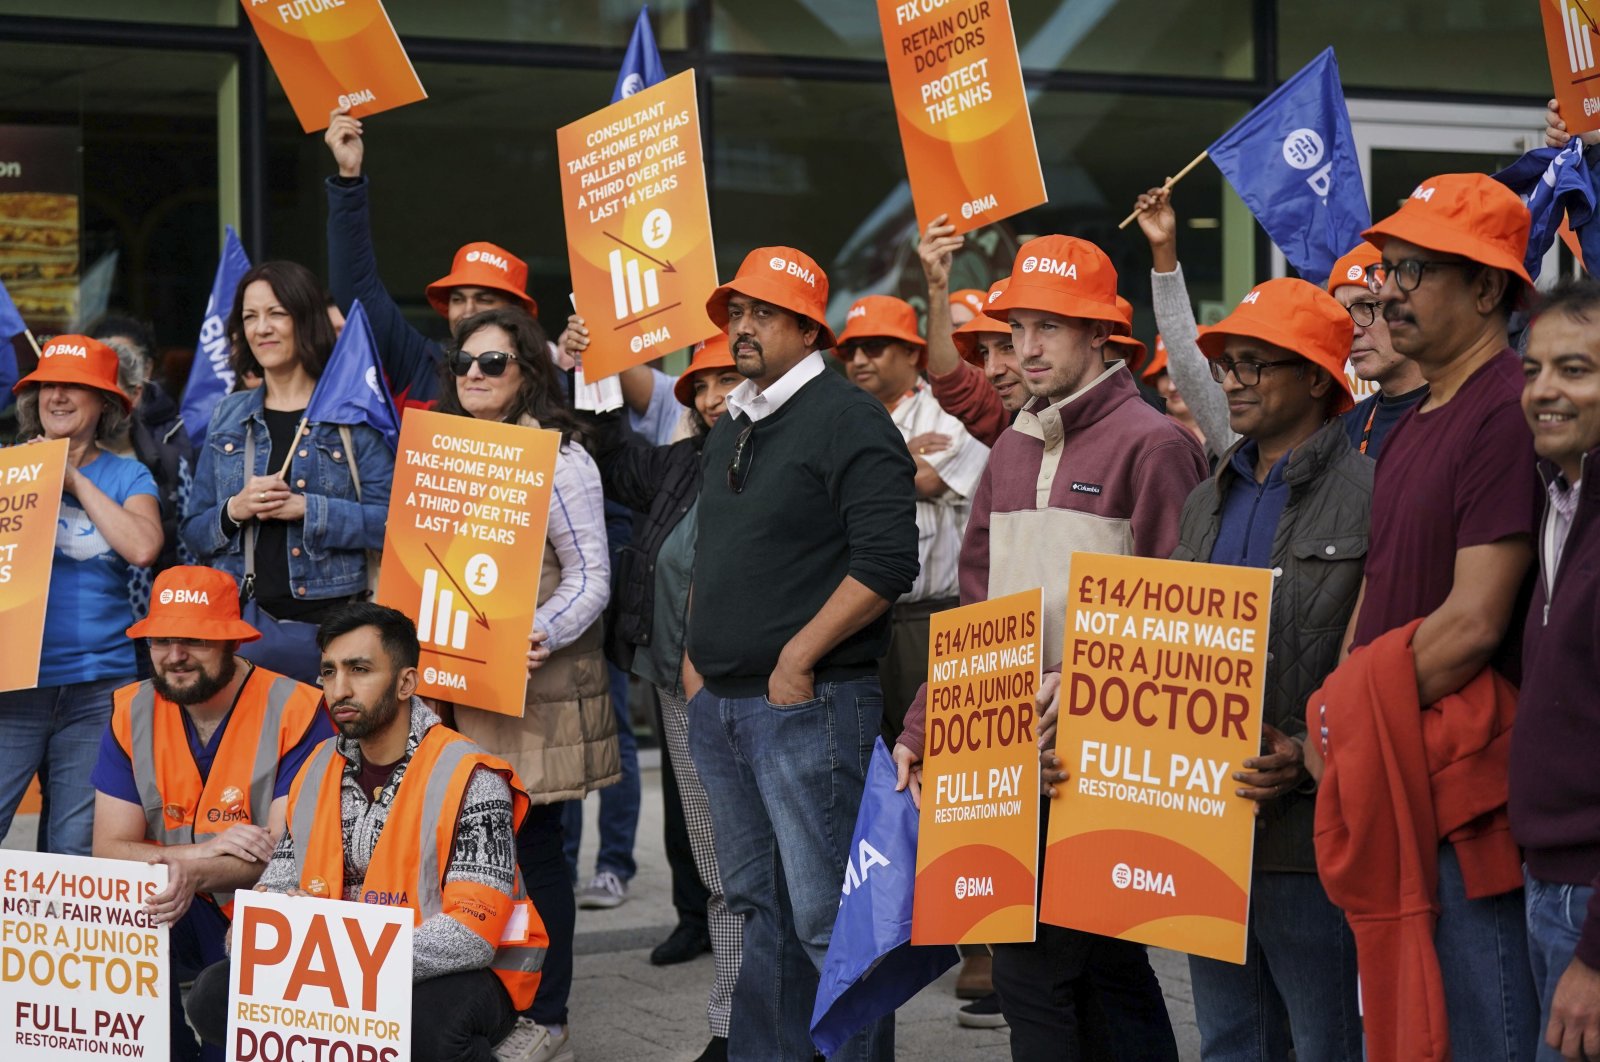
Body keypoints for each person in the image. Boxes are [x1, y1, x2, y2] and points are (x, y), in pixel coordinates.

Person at [894, 234, 1206, 1061]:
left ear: (1102, 335)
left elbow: (1186, 616)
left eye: (1050, 328)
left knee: (1036, 978)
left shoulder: (1157, 444)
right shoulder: (1012, 450)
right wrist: (925, 727)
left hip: (1106, 761)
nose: (1025, 348)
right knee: (1104, 972)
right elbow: (975, 609)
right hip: (1007, 750)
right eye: (1018, 326)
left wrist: (1088, 686)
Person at [1312, 172, 1542, 1060]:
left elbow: (1474, 623)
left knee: (1481, 1035)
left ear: (1488, 290)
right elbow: (1377, 592)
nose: (1388, 289)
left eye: (1417, 271)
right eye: (1388, 267)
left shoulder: (1506, 410)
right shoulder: (1411, 419)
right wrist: (1337, 705)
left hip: (1462, 796)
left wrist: (1345, 719)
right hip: (1394, 768)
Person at [687, 246, 919, 1062]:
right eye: (734, 313)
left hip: (808, 706)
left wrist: (797, 659)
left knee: (829, 921)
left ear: (806, 326)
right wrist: (697, 661)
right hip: (724, 706)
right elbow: (717, 549)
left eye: (760, 314)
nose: (739, 329)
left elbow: (889, 561)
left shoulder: (848, 416)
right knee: (759, 912)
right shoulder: (738, 421)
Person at [183, 603, 549, 1062]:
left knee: (425, 1030)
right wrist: (268, 928)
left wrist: (337, 961)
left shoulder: (471, 776)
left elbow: (471, 938)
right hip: (341, 965)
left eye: (359, 670)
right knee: (213, 993)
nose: (340, 689)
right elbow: (268, 898)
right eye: (329, 672)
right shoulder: (315, 768)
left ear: (406, 683)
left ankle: (510, 1044)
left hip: (463, 971)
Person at [1171, 279, 1369, 1062]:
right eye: (1226, 364)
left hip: (1309, 836)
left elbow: (1380, 654)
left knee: (1330, 1044)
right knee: (1228, 1042)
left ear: (1319, 378)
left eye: (1256, 363)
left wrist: (1304, 747)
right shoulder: (1202, 500)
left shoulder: (1372, 495)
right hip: (1200, 826)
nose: (1232, 380)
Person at [435, 306, 615, 1062]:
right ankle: (485, 1002)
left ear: (527, 374)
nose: (474, 374)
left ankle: (549, 1017)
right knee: (471, 850)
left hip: (532, 693)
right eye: (464, 363)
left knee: (534, 848)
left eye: (493, 363)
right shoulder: (443, 456)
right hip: (456, 687)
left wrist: (533, 632)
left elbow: (593, 577)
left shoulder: (560, 457)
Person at [92, 564, 331, 1062]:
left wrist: (182, 868)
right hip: (177, 907)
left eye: (194, 641)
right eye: (160, 640)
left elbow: (284, 856)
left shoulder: (299, 709)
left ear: (233, 643)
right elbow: (108, 850)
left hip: (268, 914)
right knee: (102, 919)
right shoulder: (130, 708)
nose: (174, 657)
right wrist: (200, 854)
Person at [593, 334, 746, 1062]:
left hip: (755, 695)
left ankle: (783, 1022)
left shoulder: (783, 461)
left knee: (764, 872)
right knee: (719, 871)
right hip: (676, 692)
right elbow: (617, 461)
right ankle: (730, 1025)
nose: (715, 398)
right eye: (703, 387)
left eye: (728, 381)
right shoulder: (682, 461)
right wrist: (593, 370)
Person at [180, 260, 392, 686]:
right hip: (244, 634)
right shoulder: (228, 413)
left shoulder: (350, 415)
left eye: (276, 313)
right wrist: (234, 509)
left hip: (336, 638)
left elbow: (394, 525)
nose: (262, 328)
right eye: (250, 317)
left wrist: (308, 510)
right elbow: (193, 532)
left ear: (305, 318)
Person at [0, 334, 162, 856]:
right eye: (49, 386)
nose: (59, 397)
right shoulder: (6, 469)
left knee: (74, 851)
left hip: (97, 690)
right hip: (13, 685)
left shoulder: (127, 474)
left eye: (76, 387)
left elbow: (142, 546)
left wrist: (70, 477)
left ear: (106, 404)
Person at [834, 293, 988, 737]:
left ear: (912, 353)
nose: (860, 359)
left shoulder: (949, 408)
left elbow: (931, 482)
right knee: (869, 767)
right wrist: (904, 454)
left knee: (939, 758)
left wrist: (855, 468)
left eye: (875, 346)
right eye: (850, 350)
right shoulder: (840, 417)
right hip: (857, 622)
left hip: (935, 618)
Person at [1512, 279, 1600, 1062]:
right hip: (1550, 889)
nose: (1544, 391)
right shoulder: (1561, 498)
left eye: (1575, 370)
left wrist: (1598, 958)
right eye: (1534, 369)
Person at [1133, 186, 1240, 461]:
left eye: (1258, 367)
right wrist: (1163, 248)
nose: (1238, 384)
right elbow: (1185, 359)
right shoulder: (1240, 452)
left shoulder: (1235, 443)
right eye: (1163, 375)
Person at [90, 314, 195, 578]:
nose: (102, 401)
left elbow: (189, 547)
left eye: (111, 388)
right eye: (91, 389)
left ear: (135, 392)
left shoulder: (165, 457)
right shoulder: (55, 464)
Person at [1324, 242, 1427, 459]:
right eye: (1341, 316)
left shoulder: (1469, 412)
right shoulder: (1341, 432)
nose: (1351, 331)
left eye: (1367, 307)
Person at [919, 217, 1011, 447]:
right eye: (983, 351)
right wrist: (936, 287)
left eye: (1006, 347)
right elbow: (953, 384)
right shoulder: (1012, 418)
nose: (993, 367)